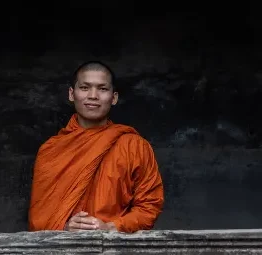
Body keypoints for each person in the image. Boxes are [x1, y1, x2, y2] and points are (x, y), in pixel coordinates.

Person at [27, 61, 164, 233]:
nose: (93, 95)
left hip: (116, 252)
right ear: (71, 94)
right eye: (84, 87)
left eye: (102, 89)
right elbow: (38, 218)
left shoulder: (134, 147)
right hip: (62, 254)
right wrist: (64, 227)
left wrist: (110, 227)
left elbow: (149, 207)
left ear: (114, 97)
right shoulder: (51, 150)